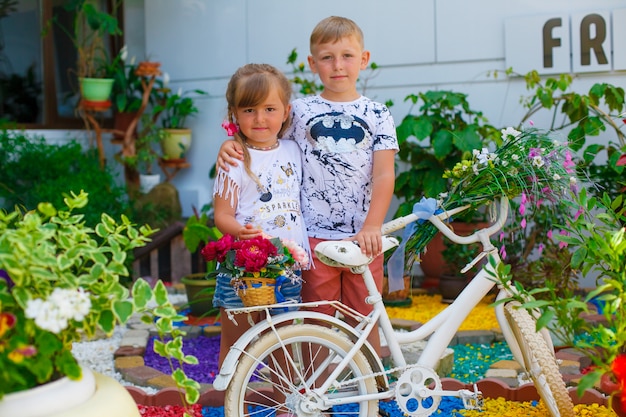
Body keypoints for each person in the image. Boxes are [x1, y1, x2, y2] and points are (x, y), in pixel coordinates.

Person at [217, 16, 398, 355]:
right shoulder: (299, 111)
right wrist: (229, 145)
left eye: (347, 56)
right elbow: (263, 142)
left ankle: (373, 393)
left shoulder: (377, 113)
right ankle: (314, 397)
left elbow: (384, 174)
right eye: (327, 57)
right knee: (316, 319)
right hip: (314, 237)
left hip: (364, 237)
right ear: (313, 63)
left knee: (365, 317)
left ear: (364, 59)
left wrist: (373, 224)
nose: (338, 65)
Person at [211, 63, 310, 370]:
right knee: (236, 340)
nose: (260, 119)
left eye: (269, 108)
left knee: (282, 341)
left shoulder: (295, 150)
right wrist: (240, 232)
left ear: (286, 111)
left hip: (286, 266)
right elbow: (222, 215)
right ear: (234, 114)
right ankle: (230, 399)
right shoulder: (235, 158)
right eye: (249, 110)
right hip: (242, 267)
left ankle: (282, 403)